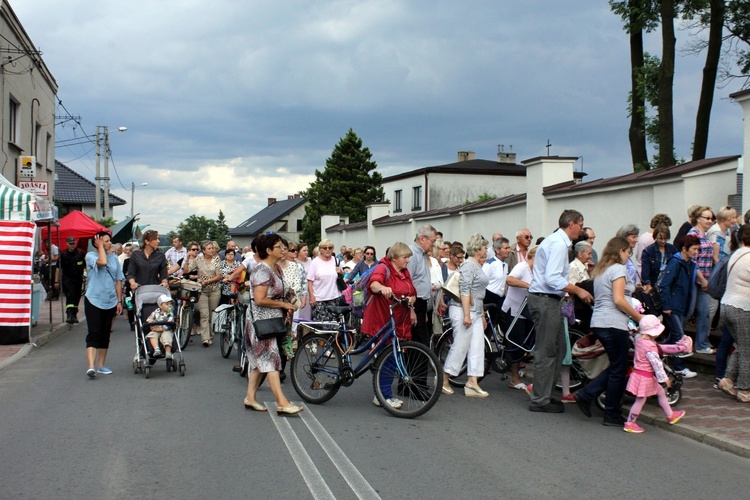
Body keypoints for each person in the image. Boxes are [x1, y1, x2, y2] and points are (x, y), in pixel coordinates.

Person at [528, 209, 593, 413]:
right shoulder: (557, 243)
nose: (581, 230)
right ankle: (539, 399)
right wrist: (578, 289)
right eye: (581, 225)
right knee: (547, 351)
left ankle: (544, 395)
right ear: (571, 224)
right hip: (545, 300)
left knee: (560, 349)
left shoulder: (558, 242)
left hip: (550, 300)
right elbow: (552, 278)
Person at [573, 237, 644, 426]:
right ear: (620, 251)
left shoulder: (602, 270)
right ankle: (610, 411)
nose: (629, 255)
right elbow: (619, 299)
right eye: (628, 251)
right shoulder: (618, 269)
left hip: (600, 322)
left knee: (616, 366)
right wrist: (639, 318)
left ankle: (588, 395)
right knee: (618, 368)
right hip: (613, 323)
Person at [243, 234, 303, 415]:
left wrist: (290, 300)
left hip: (273, 320)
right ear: (268, 251)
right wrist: (283, 304)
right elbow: (260, 299)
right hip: (261, 321)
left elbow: (279, 291)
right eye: (279, 247)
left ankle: (250, 398)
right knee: (271, 360)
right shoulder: (261, 270)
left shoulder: (275, 268)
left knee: (258, 362)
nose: (283, 250)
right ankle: (282, 402)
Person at [361, 242, 417, 408]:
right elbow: (374, 283)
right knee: (389, 358)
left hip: (399, 319)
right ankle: (383, 395)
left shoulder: (404, 272)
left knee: (393, 358)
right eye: (405, 257)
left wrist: (412, 303)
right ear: (394, 258)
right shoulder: (383, 268)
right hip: (382, 319)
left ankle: (382, 393)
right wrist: (383, 288)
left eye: (408, 257)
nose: (408, 261)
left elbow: (411, 292)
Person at [623, 315, 691, 433]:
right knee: (640, 400)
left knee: (660, 392)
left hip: (639, 374)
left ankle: (670, 415)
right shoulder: (650, 347)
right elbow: (657, 364)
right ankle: (630, 423)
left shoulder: (639, 339)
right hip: (645, 376)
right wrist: (664, 379)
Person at [442, 233, 491, 397]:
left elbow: (478, 293)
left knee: (477, 347)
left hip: (475, 311)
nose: (486, 250)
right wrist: (467, 315)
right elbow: (464, 289)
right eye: (484, 247)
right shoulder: (470, 265)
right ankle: (444, 379)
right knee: (461, 345)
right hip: (463, 310)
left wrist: (481, 315)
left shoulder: (476, 265)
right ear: (478, 249)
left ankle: (472, 382)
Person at [717, 224, 750, 403]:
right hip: (742, 308)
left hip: (727, 305)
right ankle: (745, 390)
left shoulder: (737, 254)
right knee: (747, 349)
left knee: (742, 344)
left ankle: (728, 379)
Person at [83, 231, 124, 378]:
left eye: (109, 241)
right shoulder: (90, 256)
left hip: (110, 300)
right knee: (94, 332)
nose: (109, 243)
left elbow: (119, 280)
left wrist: (119, 301)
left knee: (105, 333)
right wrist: (100, 248)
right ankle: (91, 366)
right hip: (94, 299)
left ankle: (101, 365)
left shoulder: (114, 258)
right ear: (97, 242)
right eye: (105, 241)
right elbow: (102, 263)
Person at [502, 245, 538, 390]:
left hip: (526, 312)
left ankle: (516, 370)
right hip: (514, 311)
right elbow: (509, 280)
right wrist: (527, 285)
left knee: (524, 345)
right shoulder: (522, 266)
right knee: (515, 345)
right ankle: (514, 378)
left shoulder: (537, 270)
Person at [687, 206, 717, 354]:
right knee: (688, 311)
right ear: (698, 218)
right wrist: (702, 279)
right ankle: (677, 341)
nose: (710, 221)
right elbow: (693, 260)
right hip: (694, 279)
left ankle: (701, 344)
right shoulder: (693, 234)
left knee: (704, 312)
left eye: (712, 218)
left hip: (705, 279)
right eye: (707, 218)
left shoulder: (705, 235)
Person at [185, 240, 221, 346]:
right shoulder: (198, 259)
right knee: (204, 314)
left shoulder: (216, 260)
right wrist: (187, 258)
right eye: (209, 248)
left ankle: (210, 334)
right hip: (202, 291)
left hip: (214, 290)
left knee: (212, 314)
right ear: (204, 251)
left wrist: (208, 281)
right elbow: (187, 270)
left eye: (212, 248)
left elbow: (219, 276)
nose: (212, 250)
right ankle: (205, 338)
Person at [407, 225, 438, 348]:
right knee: (420, 345)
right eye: (433, 240)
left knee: (422, 343)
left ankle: (419, 367)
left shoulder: (421, 254)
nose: (434, 244)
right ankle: (417, 368)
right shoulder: (412, 254)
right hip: (414, 303)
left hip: (421, 304)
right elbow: (408, 283)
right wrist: (411, 309)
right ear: (422, 239)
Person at [307, 238, 343, 322]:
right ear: (320, 250)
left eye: (330, 248)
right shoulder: (315, 262)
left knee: (334, 323)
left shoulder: (336, 260)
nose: (328, 250)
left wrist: (341, 272)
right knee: (321, 324)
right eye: (325, 248)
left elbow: (341, 275)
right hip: (319, 298)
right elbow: (310, 281)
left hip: (334, 297)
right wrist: (312, 296)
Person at [482, 237, 510, 326]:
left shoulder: (505, 265)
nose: (508, 250)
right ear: (497, 250)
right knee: (489, 325)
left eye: (508, 248)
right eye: (506, 248)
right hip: (489, 297)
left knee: (504, 323)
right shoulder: (490, 264)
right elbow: (482, 282)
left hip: (500, 298)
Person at [59, 236, 86, 324]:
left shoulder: (80, 253)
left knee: (77, 296)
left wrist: (87, 275)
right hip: (67, 278)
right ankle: (69, 314)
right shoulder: (63, 254)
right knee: (70, 295)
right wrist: (56, 281)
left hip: (78, 278)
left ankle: (74, 314)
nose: (72, 245)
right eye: (70, 244)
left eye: (73, 243)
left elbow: (85, 265)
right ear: (67, 244)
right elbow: (58, 268)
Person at [146, 295, 175, 360]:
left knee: (167, 337)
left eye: (171, 304)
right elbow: (149, 320)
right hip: (155, 329)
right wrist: (150, 323)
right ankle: (156, 349)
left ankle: (168, 352)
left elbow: (170, 322)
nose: (170, 305)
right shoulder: (155, 313)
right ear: (160, 306)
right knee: (152, 335)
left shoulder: (170, 314)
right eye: (167, 304)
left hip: (165, 330)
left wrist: (162, 329)